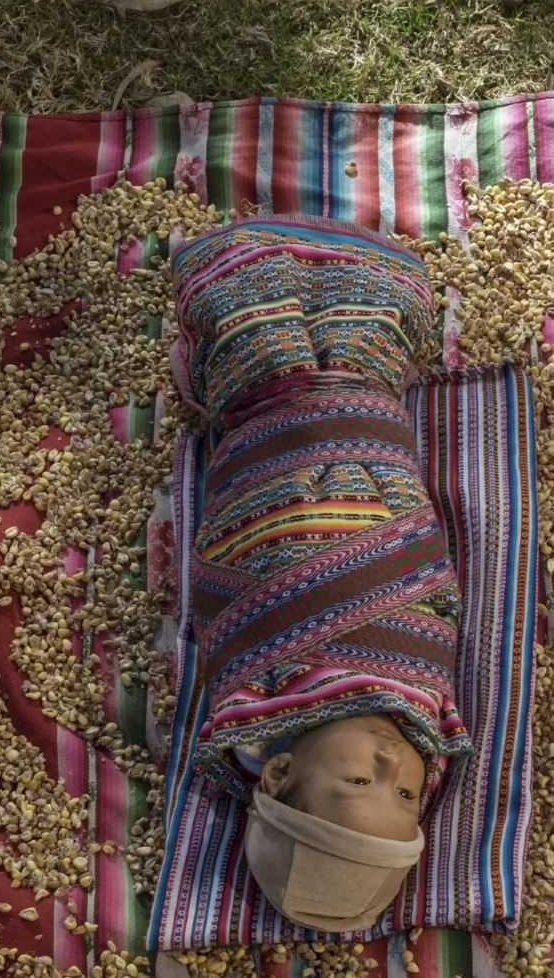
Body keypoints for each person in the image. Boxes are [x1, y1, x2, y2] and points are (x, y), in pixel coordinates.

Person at [169, 215, 470, 932]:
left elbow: (235, 595)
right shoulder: (423, 711)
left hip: (280, 477)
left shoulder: (256, 694)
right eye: (408, 797)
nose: (395, 765)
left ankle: (259, 306)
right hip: (379, 475)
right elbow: (435, 609)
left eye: (362, 780)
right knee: (375, 339)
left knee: (258, 352)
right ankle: (357, 332)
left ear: (278, 773)